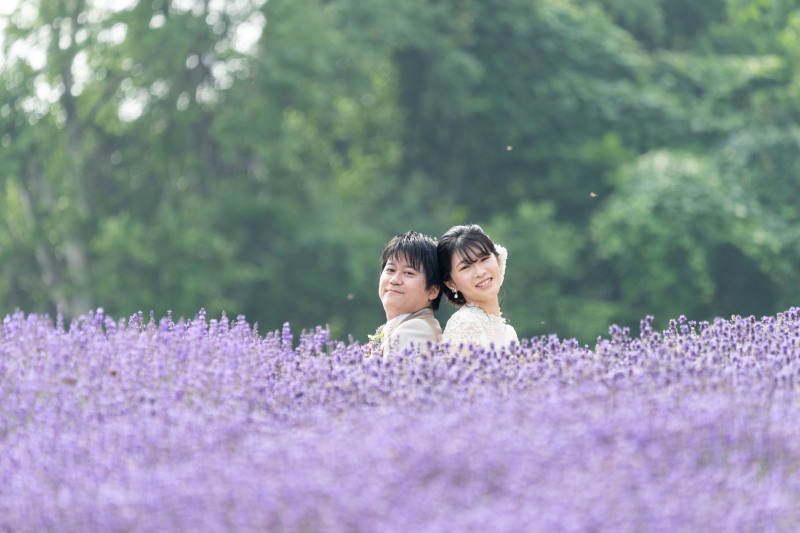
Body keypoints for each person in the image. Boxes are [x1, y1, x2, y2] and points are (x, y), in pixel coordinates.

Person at [437, 224, 518, 350]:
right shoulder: (465, 323)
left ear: (497, 261)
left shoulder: (509, 333)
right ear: (450, 283)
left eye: (484, 259)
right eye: (465, 267)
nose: (480, 272)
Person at [365, 231, 443, 359]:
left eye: (408, 273)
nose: (394, 280)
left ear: (433, 290)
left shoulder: (417, 329)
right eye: (390, 270)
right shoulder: (399, 327)